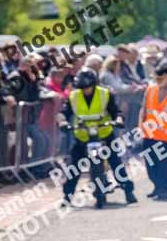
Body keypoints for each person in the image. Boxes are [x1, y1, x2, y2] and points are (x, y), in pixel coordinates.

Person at [58, 68, 137, 207]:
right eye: (82, 88)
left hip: (104, 134)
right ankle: (67, 197)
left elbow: (116, 111)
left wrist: (118, 120)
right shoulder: (73, 96)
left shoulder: (105, 94)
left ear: (94, 85)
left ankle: (128, 192)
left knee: (115, 162)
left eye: (87, 87)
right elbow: (63, 112)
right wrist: (62, 121)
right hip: (82, 135)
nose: (85, 90)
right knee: (74, 165)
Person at [138, 64, 167, 199]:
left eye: (161, 78)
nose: (158, 81)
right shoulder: (150, 90)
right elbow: (144, 109)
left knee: (164, 165)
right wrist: (140, 126)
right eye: (156, 79)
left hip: (164, 135)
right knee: (151, 165)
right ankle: (157, 187)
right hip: (149, 134)